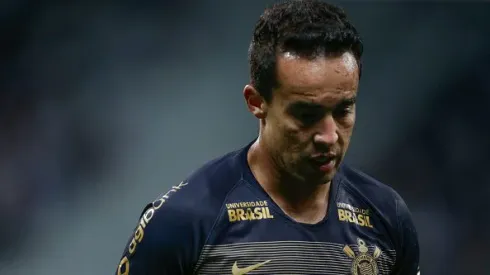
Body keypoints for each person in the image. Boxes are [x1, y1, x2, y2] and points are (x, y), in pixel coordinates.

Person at [114, 0, 420, 274]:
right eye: (306, 115)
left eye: (343, 111)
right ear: (257, 102)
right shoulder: (184, 222)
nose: (329, 136)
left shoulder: (386, 217)